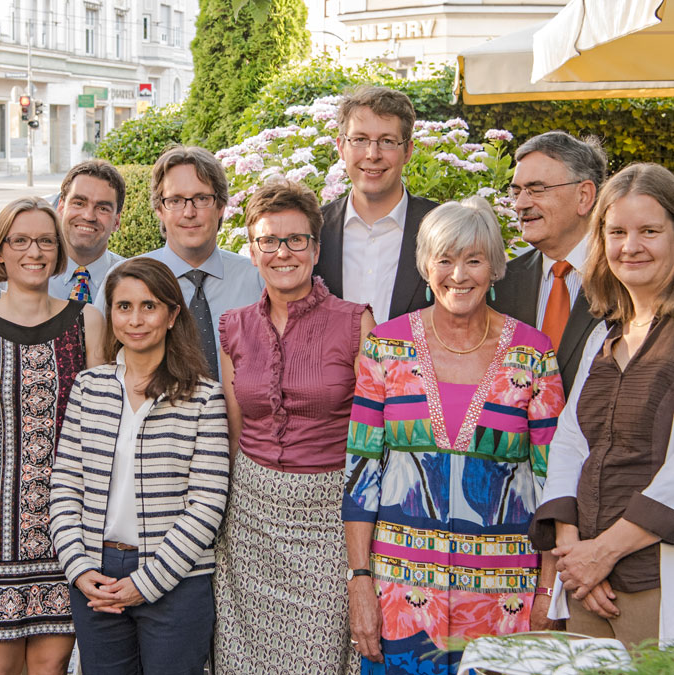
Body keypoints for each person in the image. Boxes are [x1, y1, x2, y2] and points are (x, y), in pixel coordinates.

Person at [343, 196, 565, 674]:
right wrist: (359, 580)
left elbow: (554, 483)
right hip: (402, 595)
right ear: (426, 266)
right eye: (445, 259)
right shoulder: (385, 347)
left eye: (474, 260)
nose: (458, 275)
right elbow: (361, 474)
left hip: (504, 599)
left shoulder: (533, 354)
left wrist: (549, 589)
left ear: (495, 268)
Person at [214, 181, 374, 674]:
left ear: (316, 249)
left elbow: (373, 443)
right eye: (268, 240)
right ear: (253, 250)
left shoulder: (356, 323)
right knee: (242, 660)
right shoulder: (233, 326)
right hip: (250, 522)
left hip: (329, 519)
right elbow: (234, 432)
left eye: (295, 240)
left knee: (318, 657)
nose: (282, 252)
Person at [0, 197, 104, 675]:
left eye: (46, 241)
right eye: (21, 241)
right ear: (0, 251)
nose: (34, 252)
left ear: (59, 250)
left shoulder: (87, 321)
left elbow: (102, 431)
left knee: (52, 667)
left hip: (67, 528)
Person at [49, 257, 230, 675]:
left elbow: (207, 505)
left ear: (172, 315)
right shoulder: (89, 387)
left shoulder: (204, 398)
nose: (135, 319)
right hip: (97, 577)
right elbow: (64, 488)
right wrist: (79, 568)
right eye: (124, 306)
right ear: (110, 313)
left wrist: (146, 584)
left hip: (176, 581)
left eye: (149, 306)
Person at [530, 163, 674, 645]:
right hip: (586, 583)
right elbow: (570, 444)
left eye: (649, 231)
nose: (630, 246)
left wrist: (603, 553)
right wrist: (573, 552)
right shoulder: (602, 336)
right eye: (617, 232)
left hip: (655, 578)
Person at [97, 145, 263, 380]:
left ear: (221, 206)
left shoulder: (257, 279)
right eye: (175, 200)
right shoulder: (124, 280)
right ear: (159, 209)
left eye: (201, 199)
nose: (189, 212)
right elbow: (101, 360)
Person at [491, 131, 607, 395]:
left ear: (584, 196)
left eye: (537, 190)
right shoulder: (501, 284)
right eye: (517, 191)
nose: (520, 204)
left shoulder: (623, 279)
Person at [314, 85, 438, 324]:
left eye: (387, 141)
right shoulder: (314, 230)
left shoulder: (441, 226)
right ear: (341, 147)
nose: (372, 154)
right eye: (360, 139)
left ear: (408, 152)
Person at [48, 159, 126, 303]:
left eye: (102, 208)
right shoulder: (28, 274)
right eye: (79, 203)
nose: (88, 216)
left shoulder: (133, 280)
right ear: (61, 208)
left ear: (116, 221)